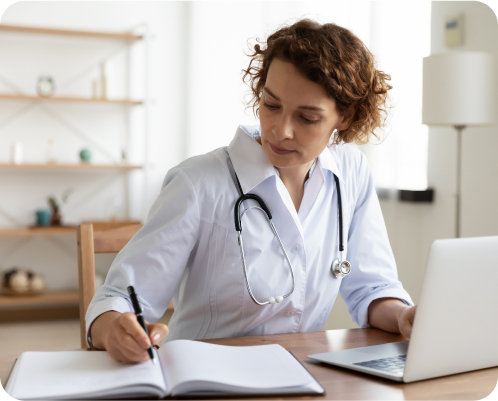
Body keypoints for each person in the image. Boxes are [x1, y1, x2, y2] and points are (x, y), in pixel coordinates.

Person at [87, 19, 416, 364]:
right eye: (271, 106)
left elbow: (373, 288)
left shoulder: (350, 172)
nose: (281, 130)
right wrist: (115, 329)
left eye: (307, 118)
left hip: (306, 374)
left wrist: (402, 316)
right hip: (207, 378)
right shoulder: (198, 183)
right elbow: (117, 299)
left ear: (345, 117)